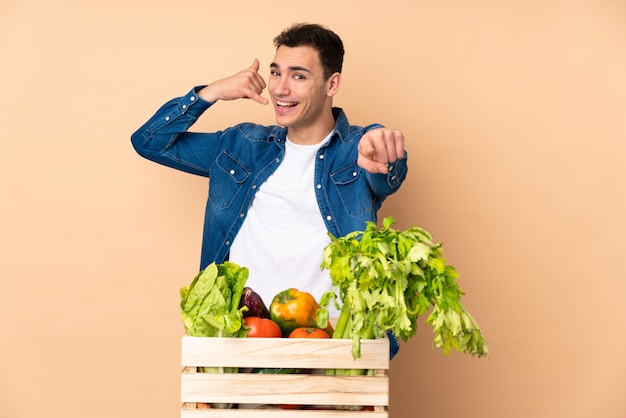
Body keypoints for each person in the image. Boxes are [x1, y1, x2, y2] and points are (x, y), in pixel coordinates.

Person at [131, 23, 408, 357]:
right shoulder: (241, 146)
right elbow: (149, 142)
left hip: (337, 342)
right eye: (276, 73)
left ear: (331, 83)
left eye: (299, 76)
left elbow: (386, 171)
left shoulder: (356, 150)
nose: (280, 88)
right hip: (244, 337)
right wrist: (211, 93)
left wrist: (384, 148)